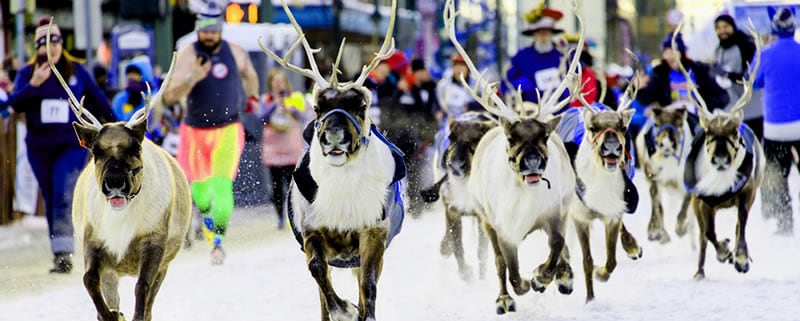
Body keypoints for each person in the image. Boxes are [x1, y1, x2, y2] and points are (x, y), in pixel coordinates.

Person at [2, 18, 116, 273]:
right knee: (51, 194)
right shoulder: (27, 74)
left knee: (64, 192)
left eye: (56, 41)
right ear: (37, 47)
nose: (51, 47)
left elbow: (98, 102)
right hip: (39, 148)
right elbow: (12, 105)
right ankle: (59, 251)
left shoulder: (77, 71)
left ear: (62, 44)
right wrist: (34, 86)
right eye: (45, 43)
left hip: (71, 145)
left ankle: (65, 252)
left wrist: (119, 125)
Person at [162, 9, 259, 264]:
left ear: (220, 31)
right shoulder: (188, 54)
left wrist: (253, 97)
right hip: (194, 132)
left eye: (213, 31)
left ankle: (217, 242)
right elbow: (169, 96)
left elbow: (250, 74)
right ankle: (206, 219)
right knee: (202, 194)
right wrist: (192, 78)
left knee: (222, 187)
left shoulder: (235, 51)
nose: (208, 36)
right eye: (204, 31)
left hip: (228, 129)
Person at [753, 7, 800, 235]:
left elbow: (753, 81)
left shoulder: (765, 53)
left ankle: (784, 222)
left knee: (776, 177)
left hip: (775, 128)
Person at [636, 32, 729, 130]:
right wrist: (639, 89)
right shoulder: (660, 73)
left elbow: (723, 96)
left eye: (671, 52)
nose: (668, 57)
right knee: (647, 134)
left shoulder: (699, 71)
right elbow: (647, 98)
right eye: (665, 53)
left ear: (680, 53)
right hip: (669, 117)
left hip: (695, 116)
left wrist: (706, 108)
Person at [259, 69, 311, 229]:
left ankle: (293, 214)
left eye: (281, 80)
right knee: (276, 185)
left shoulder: (295, 97)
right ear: (270, 83)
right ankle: (280, 216)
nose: (279, 83)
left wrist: (290, 108)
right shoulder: (266, 99)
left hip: (290, 143)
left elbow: (304, 115)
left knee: (292, 183)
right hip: (273, 145)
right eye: (275, 80)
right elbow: (260, 116)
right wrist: (275, 103)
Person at [505, 2, 567, 104]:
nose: (543, 37)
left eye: (546, 33)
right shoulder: (521, 57)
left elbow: (582, 78)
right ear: (533, 34)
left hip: (561, 112)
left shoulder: (565, 56)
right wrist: (516, 85)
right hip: (530, 113)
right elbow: (506, 83)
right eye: (540, 33)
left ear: (552, 34)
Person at [712, 13, 761, 138]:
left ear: (733, 26)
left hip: (752, 109)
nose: (722, 30)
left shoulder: (745, 45)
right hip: (732, 109)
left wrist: (729, 75)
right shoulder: (719, 49)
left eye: (725, 26)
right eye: (718, 27)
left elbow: (753, 75)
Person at [111, 56, 157, 121]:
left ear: (146, 73)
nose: (131, 76)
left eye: (136, 73)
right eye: (129, 73)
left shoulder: (155, 97)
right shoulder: (120, 98)